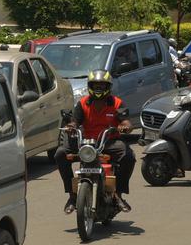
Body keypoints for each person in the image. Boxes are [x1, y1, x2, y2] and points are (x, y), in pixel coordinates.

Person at [56, 70, 135, 214]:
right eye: (96, 86)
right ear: (90, 86)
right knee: (60, 154)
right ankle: (72, 196)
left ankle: (118, 194)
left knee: (128, 156)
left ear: (108, 87)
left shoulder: (116, 103)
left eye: (102, 86)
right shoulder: (83, 103)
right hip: (86, 144)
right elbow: (75, 121)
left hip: (108, 142)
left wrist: (125, 127)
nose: (99, 89)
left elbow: (126, 122)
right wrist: (71, 127)